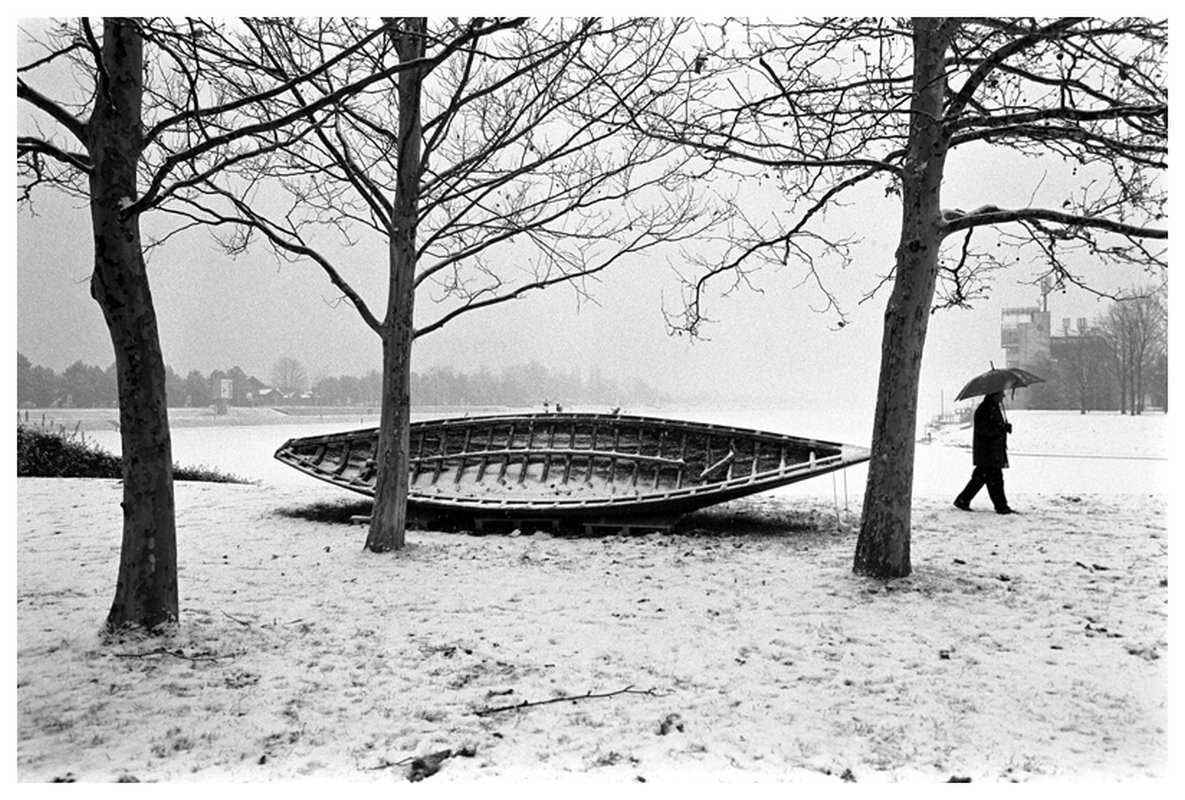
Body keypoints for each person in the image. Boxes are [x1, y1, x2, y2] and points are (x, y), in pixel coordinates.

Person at [954, 390, 1018, 514]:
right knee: (995, 479)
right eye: (1001, 394)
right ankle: (1001, 506)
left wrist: (1003, 427)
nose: (1003, 396)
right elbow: (984, 429)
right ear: (995, 395)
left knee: (981, 477)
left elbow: (991, 427)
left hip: (989, 452)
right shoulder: (985, 409)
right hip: (989, 452)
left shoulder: (991, 408)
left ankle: (963, 500)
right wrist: (1002, 428)